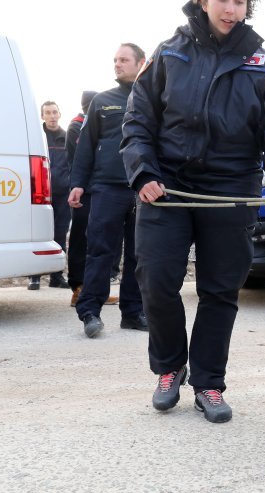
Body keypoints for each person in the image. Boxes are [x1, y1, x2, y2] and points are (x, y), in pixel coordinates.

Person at [122, 0, 265, 423]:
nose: (232, 9)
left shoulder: (264, 62)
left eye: (241, 1)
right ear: (203, 1)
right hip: (166, 185)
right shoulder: (169, 52)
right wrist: (142, 172)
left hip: (231, 187)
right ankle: (169, 367)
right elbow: (139, 120)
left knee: (220, 291)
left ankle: (208, 383)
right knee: (156, 281)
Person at [69, 43, 148, 338]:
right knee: (100, 250)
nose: (117, 64)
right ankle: (90, 311)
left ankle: (133, 312)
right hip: (106, 188)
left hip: (144, 190)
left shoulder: (155, 99)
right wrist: (78, 183)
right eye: (115, 60)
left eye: (124, 59)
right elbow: (85, 145)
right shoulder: (102, 101)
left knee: (139, 254)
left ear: (141, 62)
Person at [65, 90, 118, 307]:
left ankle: (98, 290)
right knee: (81, 240)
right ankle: (78, 287)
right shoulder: (76, 126)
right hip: (84, 192)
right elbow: (78, 158)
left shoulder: (98, 123)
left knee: (101, 242)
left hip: (102, 190)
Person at [28, 101, 72, 290]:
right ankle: (34, 277)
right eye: (48, 113)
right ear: (42, 116)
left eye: (55, 112)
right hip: (39, 195)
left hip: (63, 195)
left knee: (60, 235)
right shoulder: (36, 137)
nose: (52, 116)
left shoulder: (67, 137)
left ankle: (57, 277)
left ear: (60, 114)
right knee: (38, 234)